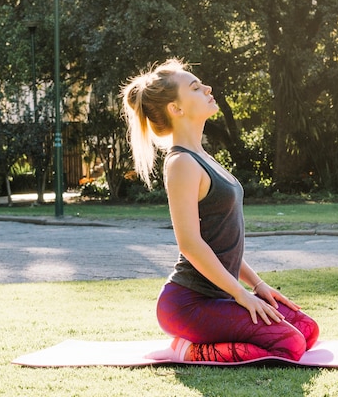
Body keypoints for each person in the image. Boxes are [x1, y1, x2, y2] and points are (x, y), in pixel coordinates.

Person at [121, 59, 319, 363]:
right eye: (196, 88)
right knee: (290, 345)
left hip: (222, 295)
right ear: (176, 109)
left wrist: (258, 285)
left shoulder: (203, 157)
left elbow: (222, 240)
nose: (208, 88)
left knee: (307, 330)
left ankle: (202, 336)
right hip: (189, 303)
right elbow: (190, 244)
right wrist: (241, 294)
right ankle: (185, 350)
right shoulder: (182, 163)